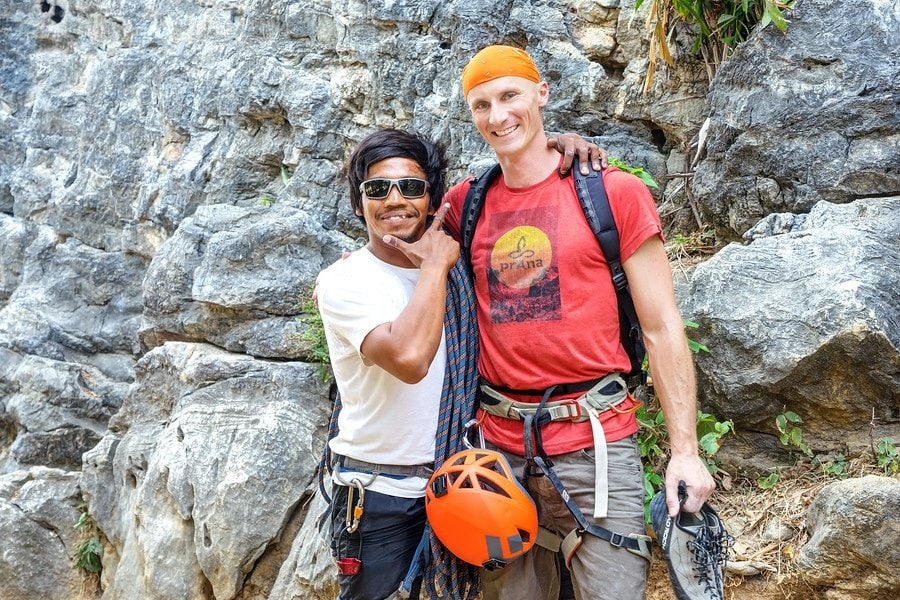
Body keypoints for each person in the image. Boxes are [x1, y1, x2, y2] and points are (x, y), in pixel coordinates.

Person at [441, 45, 716, 599]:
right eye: (481, 104)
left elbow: (662, 328)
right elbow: (409, 248)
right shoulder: (464, 205)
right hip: (497, 451)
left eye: (510, 95)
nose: (498, 116)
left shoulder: (614, 193)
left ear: (542, 95)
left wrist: (685, 450)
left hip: (597, 442)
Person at [316, 128, 600, 600]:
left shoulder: (459, 268)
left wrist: (559, 143)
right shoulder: (347, 281)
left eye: (411, 186)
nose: (395, 199)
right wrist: (433, 266)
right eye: (377, 188)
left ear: (432, 198)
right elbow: (409, 360)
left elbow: (513, 194)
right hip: (380, 497)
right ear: (358, 200)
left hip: (466, 483)